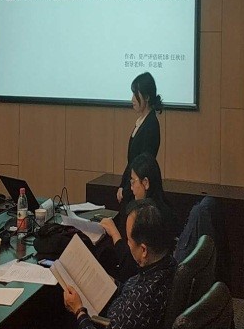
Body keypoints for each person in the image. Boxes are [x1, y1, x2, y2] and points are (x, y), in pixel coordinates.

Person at [64, 200, 176, 329]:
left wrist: (79, 311)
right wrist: (114, 284)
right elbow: (134, 287)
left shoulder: (139, 302)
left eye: (129, 240)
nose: (127, 244)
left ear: (144, 250)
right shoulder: (168, 264)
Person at [101, 154, 179, 282]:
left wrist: (115, 234)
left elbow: (131, 266)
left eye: (133, 181)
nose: (131, 188)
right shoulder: (164, 207)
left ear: (146, 183)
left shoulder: (151, 217)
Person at [117, 72, 163, 207]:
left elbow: (143, 164)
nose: (132, 99)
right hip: (132, 186)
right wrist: (122, 185)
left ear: (147, 97)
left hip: (141, 191)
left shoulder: (151, 124)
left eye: (135, 94)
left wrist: (127, 189)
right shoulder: (142, 121)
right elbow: (131, 161)